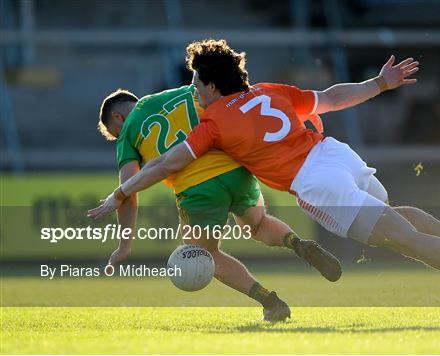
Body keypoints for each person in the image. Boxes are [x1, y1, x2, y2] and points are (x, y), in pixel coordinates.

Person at [89, 39, 440, 320]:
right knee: (393, 218)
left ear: (212, 85)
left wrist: (121, 192)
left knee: (400, 238)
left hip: (316, 182)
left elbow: (166, 164)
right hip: (335, 154)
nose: (195, 90)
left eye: (197, 83)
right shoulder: (269, 90)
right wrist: (377, 84)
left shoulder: (214, 122)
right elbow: (332, 98)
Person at [96, 84, 341, 322]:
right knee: (257, 225)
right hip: (236, 170)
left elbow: (127, 192)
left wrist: (124, 246)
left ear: (118, 117)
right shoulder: (187, 91)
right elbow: (241, 102)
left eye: (115, 132)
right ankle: (297, 244)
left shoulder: (128, 130)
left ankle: (270, 302)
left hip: (196, 188)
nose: (119, 136)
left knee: (204, 253)